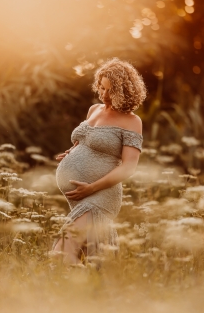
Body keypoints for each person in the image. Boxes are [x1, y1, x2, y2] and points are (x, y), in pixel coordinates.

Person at [52, 58, 147, 265]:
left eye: (110, 91)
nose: (104, 95)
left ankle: (60, 290)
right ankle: (86, 294)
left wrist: (92, 188)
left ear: (124, 91)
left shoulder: (132, 122)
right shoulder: (94, 109)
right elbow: (85, 141)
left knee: (62, 253)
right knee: (87, 256)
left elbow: (129, 167)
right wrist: (72, 152)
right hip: (80, 196)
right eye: (101, 88)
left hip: (100, 196)